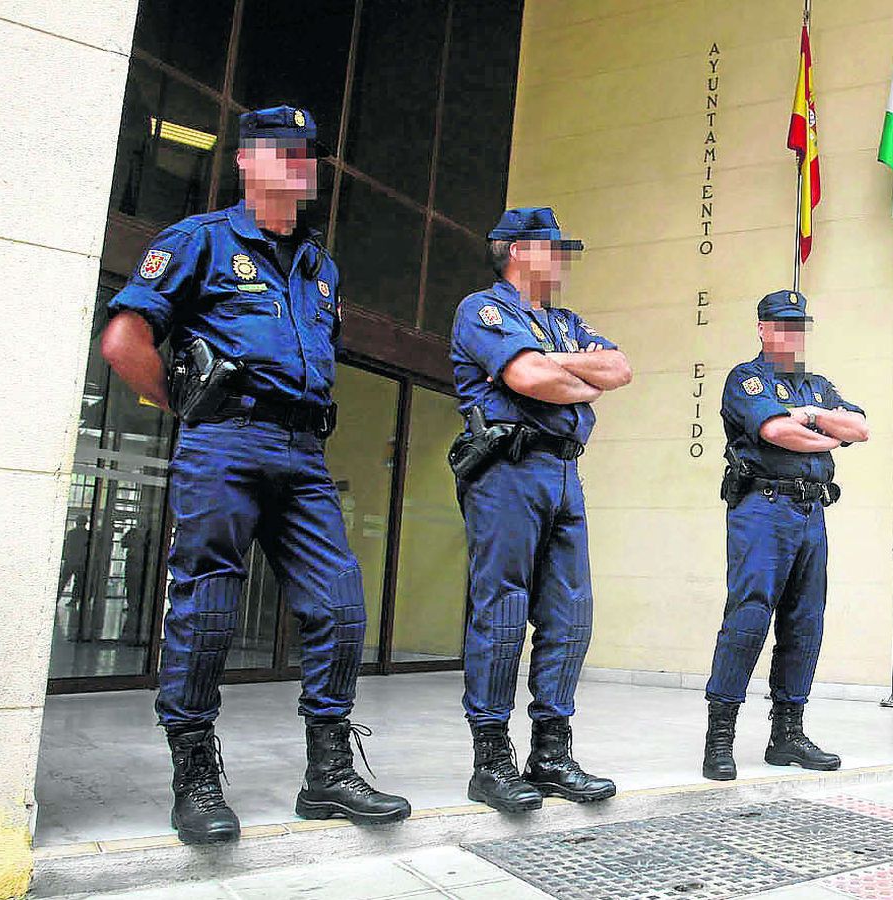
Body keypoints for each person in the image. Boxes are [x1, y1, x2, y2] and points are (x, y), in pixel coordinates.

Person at [99, 106, 410, 844]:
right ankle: (196, 776)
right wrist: (187, 408)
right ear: (248, 160)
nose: (301, 164)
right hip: (226, 440)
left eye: (309, 154)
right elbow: (124, 339)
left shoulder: (318, 264)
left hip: (303, 451)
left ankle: (328, 774)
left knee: (340, 608)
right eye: (285, 151)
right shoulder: (199, 241)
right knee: (208, 605)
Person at [450, 206, 632, 812]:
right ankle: (493, 759)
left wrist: (560, 367)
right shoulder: (483, 310)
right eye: (553, 249)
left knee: (570, 616)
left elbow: (620, 369)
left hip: (562, 470)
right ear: (518, 252)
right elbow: (529, 377)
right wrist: (563, 374)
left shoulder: (566, 321)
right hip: (507, 470)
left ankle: (551, 754)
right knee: (501, 612)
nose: (562, 260)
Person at [701, 290, 869, 781]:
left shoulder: (818, 386)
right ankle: (720, 737)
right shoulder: (746, 379)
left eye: (799, 326)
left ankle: (787, 735)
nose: (791, 335)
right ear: (762, 329)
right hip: (763, 507)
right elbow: (776, 432)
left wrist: (812, 417)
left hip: (811, 508)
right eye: (782, 326)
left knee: (805, 622)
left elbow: (859, 428)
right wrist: (818, 430)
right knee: (748, 617)